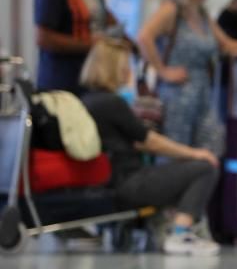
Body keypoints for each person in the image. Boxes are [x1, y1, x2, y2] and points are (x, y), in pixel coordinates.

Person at [79, 38, 221, 256]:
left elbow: (134, 141)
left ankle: (167, 226)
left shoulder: (88, 101)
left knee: (177, 169)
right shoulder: (113, 103)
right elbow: (149, 140)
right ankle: (181, 233)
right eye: (126, 64)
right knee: (203, 168)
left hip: (107, 181)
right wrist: (195, 153)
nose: (129, 70)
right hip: (128, 182)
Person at [137, 0, 237, 155]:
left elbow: (225, 45)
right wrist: (163, 71)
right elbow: (144, 36)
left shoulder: (202, 14)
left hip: (204, 93)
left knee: (212, 145)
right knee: (176, 154)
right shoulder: (172, 9)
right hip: (176, 95)